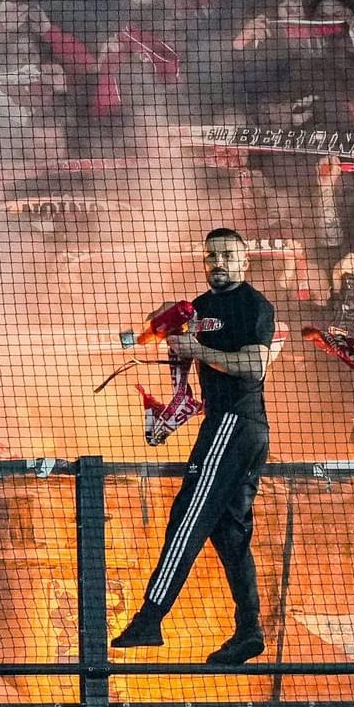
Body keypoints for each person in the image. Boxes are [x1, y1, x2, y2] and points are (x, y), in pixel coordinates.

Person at [111, 228, 277, 665]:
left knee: (187, 516)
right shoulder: (199, 307)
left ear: (245, 261)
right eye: (211, 256)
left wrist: (198, 350)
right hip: (228, 426)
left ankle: (150, 616)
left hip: (234, 424)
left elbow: (254, 367)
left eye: (227, 255)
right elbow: (153, 334)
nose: (218, 262)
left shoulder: (254, 306)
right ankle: (249, 629)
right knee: (230, 532)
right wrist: (156, 325)